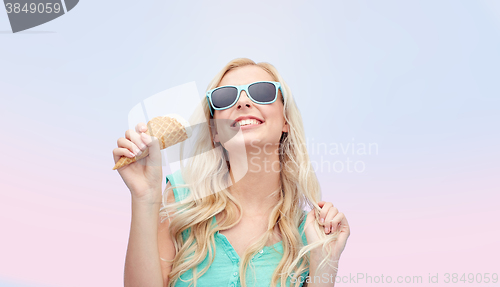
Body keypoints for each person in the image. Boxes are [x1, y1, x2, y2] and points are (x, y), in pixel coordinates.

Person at [114, 58, 350, 287]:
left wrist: (324, 264)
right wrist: (144, 197)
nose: (243, 102)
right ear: (215, 130)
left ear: (285, 119)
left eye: (263, 92)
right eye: (225, 97)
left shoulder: (309, 234)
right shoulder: (181, 199)